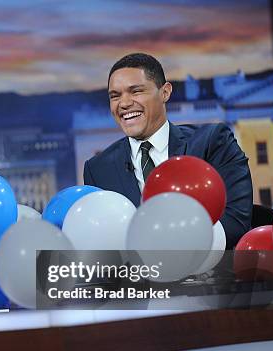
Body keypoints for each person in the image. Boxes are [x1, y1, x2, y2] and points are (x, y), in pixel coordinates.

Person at [83, 53, 253, 249]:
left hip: (212, 276)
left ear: (165, 92)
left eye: (136, 91)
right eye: (115, 96)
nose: (124, 103)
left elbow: (236, 221)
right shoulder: (98, 169)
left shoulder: (213, 142)